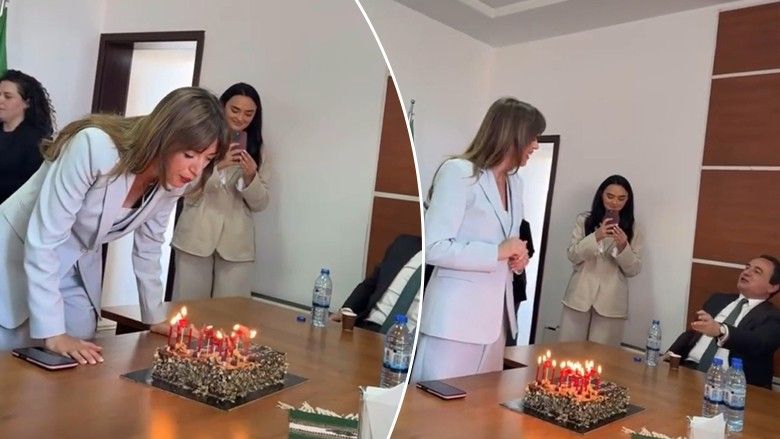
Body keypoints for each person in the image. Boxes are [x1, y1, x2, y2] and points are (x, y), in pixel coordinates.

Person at [0, 87, 228, 364]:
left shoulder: (175, 179)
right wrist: (53, 333)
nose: (197, 170)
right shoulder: (95, 146)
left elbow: (149, 247)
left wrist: (154, 316)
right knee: (11, 349)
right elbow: (44, 238)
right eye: (190, 154)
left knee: (80, 347)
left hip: (77, 262)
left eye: (208, 158)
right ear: (164, 137)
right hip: (19, 249)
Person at [411, 97, 545, 383]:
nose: (536, 144)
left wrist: (517, 259)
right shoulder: (459, 172)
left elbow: (506, 244)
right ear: (512, 133)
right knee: (438, 405)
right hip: (454, 324)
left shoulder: (516, 183)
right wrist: (496, 252)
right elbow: (433, 246)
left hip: (496, 325)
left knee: (481, 408)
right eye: (533, 136)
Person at [172, 83, 269, 299]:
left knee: (229, 313)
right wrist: (218, 166)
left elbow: (261, 203)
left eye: (249, 113)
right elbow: (183, 188)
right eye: (235, 110)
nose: (241, 118)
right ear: (222, 106)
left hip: (236, 245)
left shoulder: (258, 149)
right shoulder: (200, 139)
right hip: (196, 236)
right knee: (189, 308)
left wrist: (250, 177)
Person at [668, 255, 780, 389]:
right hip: (687, 370)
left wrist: (721, 331)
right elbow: (692, 334)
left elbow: (757, 343)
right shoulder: (717, 300)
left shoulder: (773, 316)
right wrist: (668, 356)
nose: (746, 272)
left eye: (757, 271)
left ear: (773, 287)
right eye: (747, 267)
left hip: (732, 384)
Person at [558, 175, 642, 346]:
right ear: (601, 195)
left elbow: (633, 270)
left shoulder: (634, 228)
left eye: (621, 198)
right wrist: (596, 236)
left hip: (611, 302)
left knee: (602, 358)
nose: (615, 202)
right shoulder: (584, 221)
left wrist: (623, 246)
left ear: (628, 200)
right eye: (610, 196)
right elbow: (573, 255)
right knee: (568, 353)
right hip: (579, 297)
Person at [331, 234, 422, 332]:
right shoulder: (405, 244)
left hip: (403, 336)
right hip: (367, 325)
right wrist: (347, 311)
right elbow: (370, 284)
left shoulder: (433, 270)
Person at [0, 69, 56, 204]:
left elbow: (32, 188)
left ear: (27, 103)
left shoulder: (37, 141)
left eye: (8, 96)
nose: (0, 100)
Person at [507, 219, 534, 346]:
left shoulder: (522, 223)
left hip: (515, 283)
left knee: (509, 326)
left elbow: (529, 251)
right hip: (491, 283)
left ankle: (509, 355)